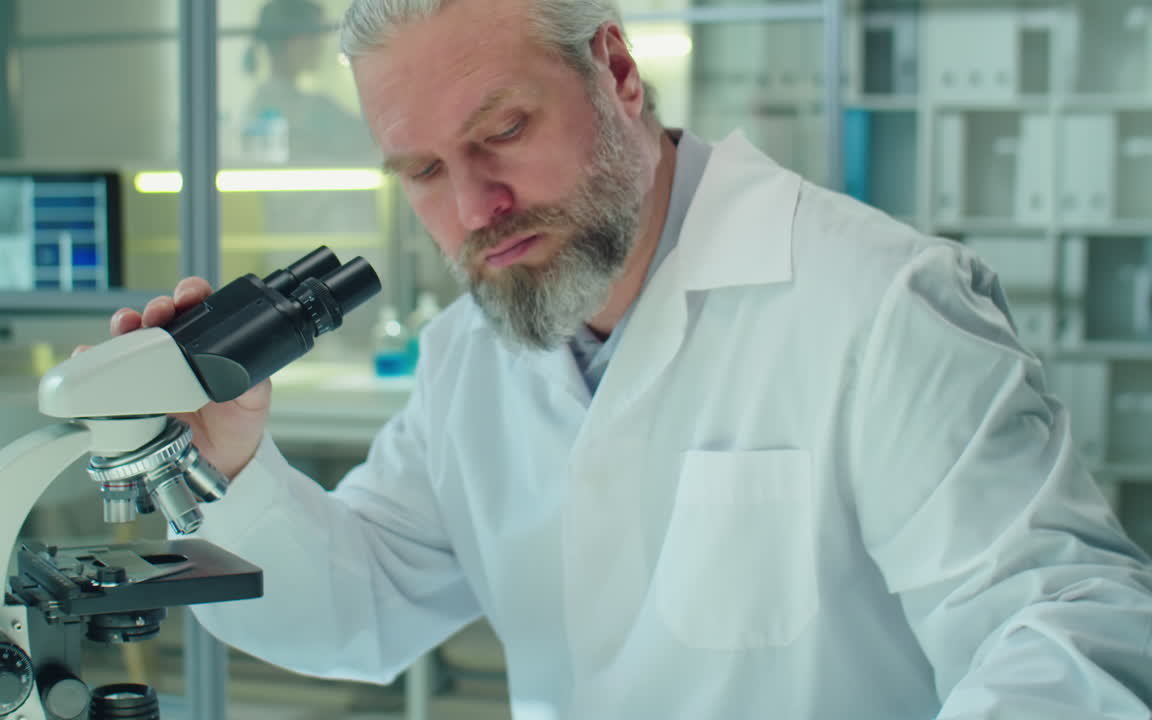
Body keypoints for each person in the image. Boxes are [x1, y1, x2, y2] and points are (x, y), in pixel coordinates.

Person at [111, 0, 1152, 715]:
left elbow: (1063, 623)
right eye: (423, 170)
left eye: (503, 131)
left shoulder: (879, 303)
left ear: (615, 72)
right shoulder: (469, 357)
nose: (474, 206)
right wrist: (230, 462)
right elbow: (359, 609)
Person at [240, 0, 376, 166]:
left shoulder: (260, 102)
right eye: (316, 35)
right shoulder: (311, 109)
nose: (321, 44)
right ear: (296, 41)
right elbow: (371, 142)